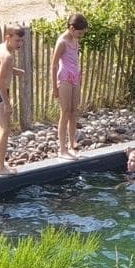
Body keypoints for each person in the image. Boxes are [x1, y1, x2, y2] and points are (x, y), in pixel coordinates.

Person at [0, 24, 26, 175]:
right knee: (5, 130)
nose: (20, 44)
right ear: (8, 38)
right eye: (17, 41)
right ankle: (0, 168)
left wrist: (14, 71)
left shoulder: (2, 48)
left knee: (1, 128)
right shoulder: (8, 56)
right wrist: (7, 104)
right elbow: (1, 83)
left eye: (22, 41)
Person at [50, 13, 87, 159]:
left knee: (73, 111)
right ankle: (62, 149)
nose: (81, 36)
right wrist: (54, 87)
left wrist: (79, 73)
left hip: (75, 78)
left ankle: (72, 144)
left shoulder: (74, 40)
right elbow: (53, 65)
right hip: (64, 78)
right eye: (79, 32)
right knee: (64, 112)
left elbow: (75, 59)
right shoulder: (62, 42)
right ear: (71, 28)